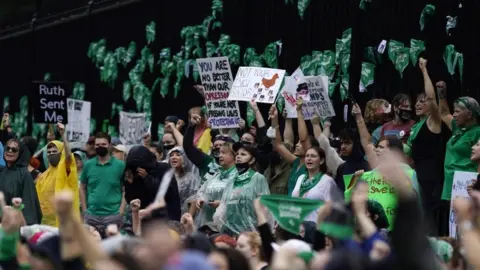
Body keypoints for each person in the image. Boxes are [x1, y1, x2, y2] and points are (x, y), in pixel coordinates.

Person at [408, 58, 450, 236]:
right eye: (417, 101)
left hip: (431, 182)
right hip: (418, 179)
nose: (418, 104)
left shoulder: (433, 122)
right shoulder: (415, 127)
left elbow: (432, 98)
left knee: (430, 225)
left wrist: (424, 70)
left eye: (422, 101)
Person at [215, 142, 270, 235]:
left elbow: (265, 207)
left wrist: (263, 231)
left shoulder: (258, 178)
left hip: (251, 232)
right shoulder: (231, 181)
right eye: (237, 154)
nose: (238, 156)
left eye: (243, 154)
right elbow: (223, 207)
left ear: (252, 160)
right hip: (230, 231)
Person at [36, 122, 80, 227]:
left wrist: (63, 134)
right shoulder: (44, 175)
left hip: (62, 220)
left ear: (61, 153)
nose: (51, 153)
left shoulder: (65, 168)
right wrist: (49, 141)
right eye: (49, 152)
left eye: (54, 151)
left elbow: (68, 156)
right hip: (45, 222)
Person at [80, 132, 126, 229]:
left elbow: (125, 189)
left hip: (113, 215)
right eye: (97, 145)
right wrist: (85, 210)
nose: (100, 147)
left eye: (103, 144)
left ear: (109, 145)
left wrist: (121, 211)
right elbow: (82, 187)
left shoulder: (120, 165)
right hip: (92, 216)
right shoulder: (88, 165)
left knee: (113, 244)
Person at [125, 145, 182, 221]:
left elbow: (168, 193)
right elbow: (131, 201)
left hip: (167, 218)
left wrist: (147, 178)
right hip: (146, 220)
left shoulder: (163, 168)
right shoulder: (135, 174)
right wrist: (130, 184)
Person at [0, 138, 41, 225]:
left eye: (14, 149)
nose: (10, 151)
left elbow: (28, 204)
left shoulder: (24, 174)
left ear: (20, 153)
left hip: (14, 225)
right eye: (7, 148)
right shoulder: (1, 171)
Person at [291, 147, 336, 222]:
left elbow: (332, 209)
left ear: (321, 161)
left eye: (313, 156)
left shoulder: (327, 181)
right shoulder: (301, 178)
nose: (309, 158)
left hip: (315, 228)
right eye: (307, 156)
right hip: (297, 227)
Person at [167, 146, 200, 215]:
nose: (174, 157)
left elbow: (194, 200)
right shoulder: (165, 177)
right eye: (171, 155)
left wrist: (188, 219)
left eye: (178, 155)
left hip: (183, 216)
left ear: (185, 158)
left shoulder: (190, 178)